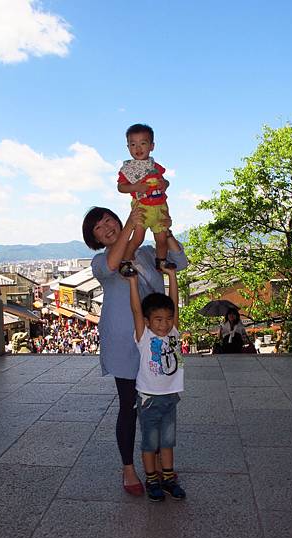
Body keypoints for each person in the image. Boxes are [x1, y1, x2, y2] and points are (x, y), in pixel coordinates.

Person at [82, 205, 188, 496]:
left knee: (157, 404)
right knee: (129, 405)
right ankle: (129, 467)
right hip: (123, 340)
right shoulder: (100, 262)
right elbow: (116, 263)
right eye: (99, 228)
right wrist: (133, 220)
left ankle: (157, 467)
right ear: (95, 239)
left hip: (156, 338)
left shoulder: (145, 254)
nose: (107, 228)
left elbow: (180, 261)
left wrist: (165, 230)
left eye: (108, 220)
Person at [125, 266, 186, 502]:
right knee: (150, 442)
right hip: (149, 398)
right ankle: (152, 479)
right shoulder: (145, 336)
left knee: (168, 441)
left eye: (168, 319)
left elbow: (174, 302)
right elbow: (135, 310)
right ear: (148, 322)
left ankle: (168, 478)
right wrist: (132, 282)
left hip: (171, 396)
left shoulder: (174, 333)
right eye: (158, 320)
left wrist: (172, 276)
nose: (164, 324)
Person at [117, 124, 176, 275]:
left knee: (162, 239)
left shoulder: (154, 166)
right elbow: (121, 187)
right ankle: (125, 261)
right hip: (142, 207)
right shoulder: (128, 169)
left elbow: (165, 181)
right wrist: (135, 187)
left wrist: (165, 184)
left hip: (160, 208)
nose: (138, 148)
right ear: (128, 147)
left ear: (152, 146)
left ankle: (161, 261)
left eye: (143, 143)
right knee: (138, 238)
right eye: (133, 144)